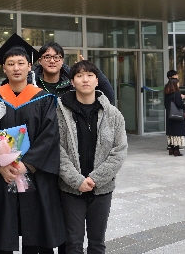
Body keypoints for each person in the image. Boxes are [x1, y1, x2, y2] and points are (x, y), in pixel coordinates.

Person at [0, 33, 66, 254]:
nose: (16, 68)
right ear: (4, 68)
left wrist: (27, 164)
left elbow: (50, 136)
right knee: (4, 234)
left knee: (36, 234)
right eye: (11, 64)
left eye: (21, 63)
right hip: (2, 176)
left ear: (30, 67)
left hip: (34, 176)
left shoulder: (44, 99)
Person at [56, 60, 127, 254]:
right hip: (71, 190)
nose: (85, 79)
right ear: (72, 82)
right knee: (73, 243)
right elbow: (56, 149)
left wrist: (96, 179)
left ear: (97, 80)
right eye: (79, 76)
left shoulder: (113, 114)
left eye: (90, 75)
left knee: (97, 243)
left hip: (101, 190)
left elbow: (119, 150)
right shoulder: (60, 113)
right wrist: (76, 180)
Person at [33, 42, 114, 103]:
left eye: (56, 57)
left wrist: (92, 70)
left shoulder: (73, 82)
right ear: (40, 60)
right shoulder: (31, 82)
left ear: (62, 61)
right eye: (47, 57)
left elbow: (108, 97)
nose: (52, 61)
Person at [163, 78, 185, 156]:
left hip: (170, 115)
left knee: (171, 133)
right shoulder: (176, 93)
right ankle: (176, 150)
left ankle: (171, 149)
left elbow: (166, 105)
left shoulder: (167, 93)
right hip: (177, 116)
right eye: (178, 83)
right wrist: (184, 106)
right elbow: (179, 104)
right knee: (177, 133)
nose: (179, 84)